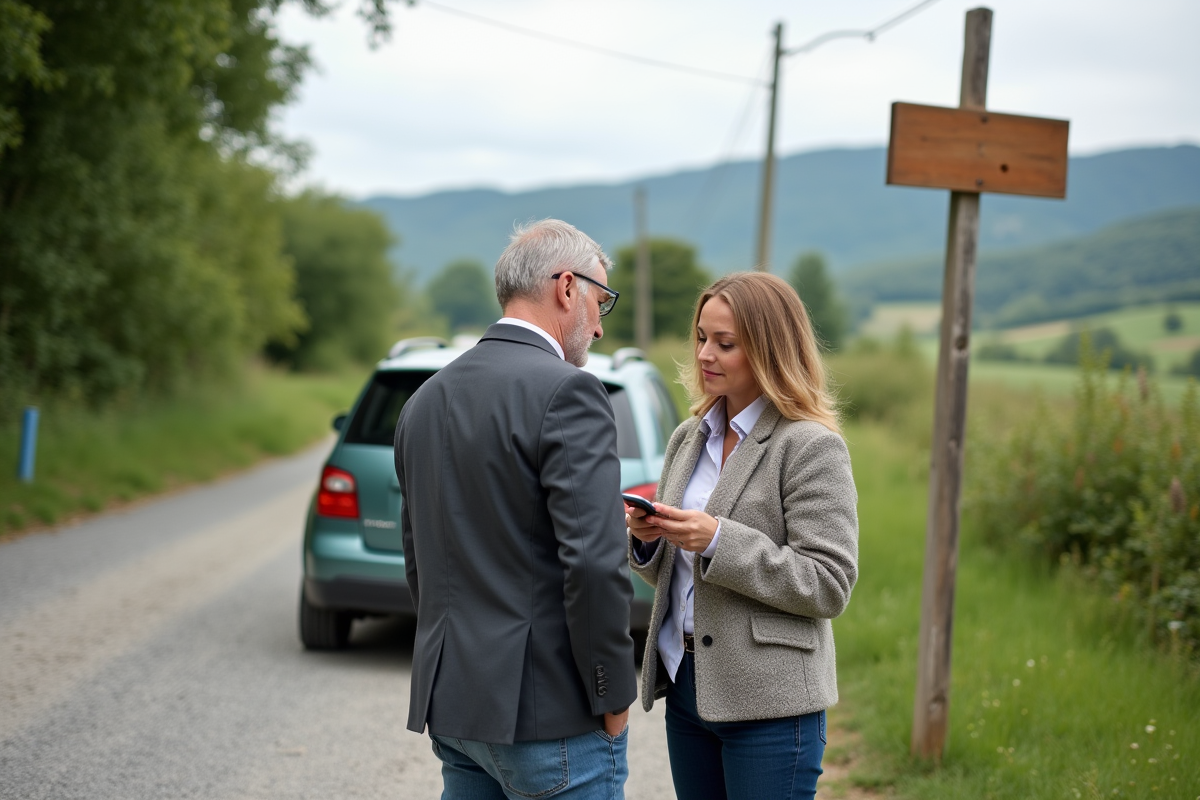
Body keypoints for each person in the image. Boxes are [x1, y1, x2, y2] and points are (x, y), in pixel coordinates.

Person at [395, 219, 637, 799]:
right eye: (601, 300)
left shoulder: (425, 400)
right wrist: (612, 696)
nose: (601, 326)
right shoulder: (569, 393)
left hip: (455, 708)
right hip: (550, 716)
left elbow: (418, 558)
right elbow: (595, 564)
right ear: (566, 287)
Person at [626, 271, 858, 800]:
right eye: (702, 337)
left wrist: (716, 540)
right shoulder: (689, 436)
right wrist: (647, 540)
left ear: (770, 351)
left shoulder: (809, 446)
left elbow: (829, 583)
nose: (705, 354)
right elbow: (672, 571)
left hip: (771, 705)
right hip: (688, 687)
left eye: (725, 343)